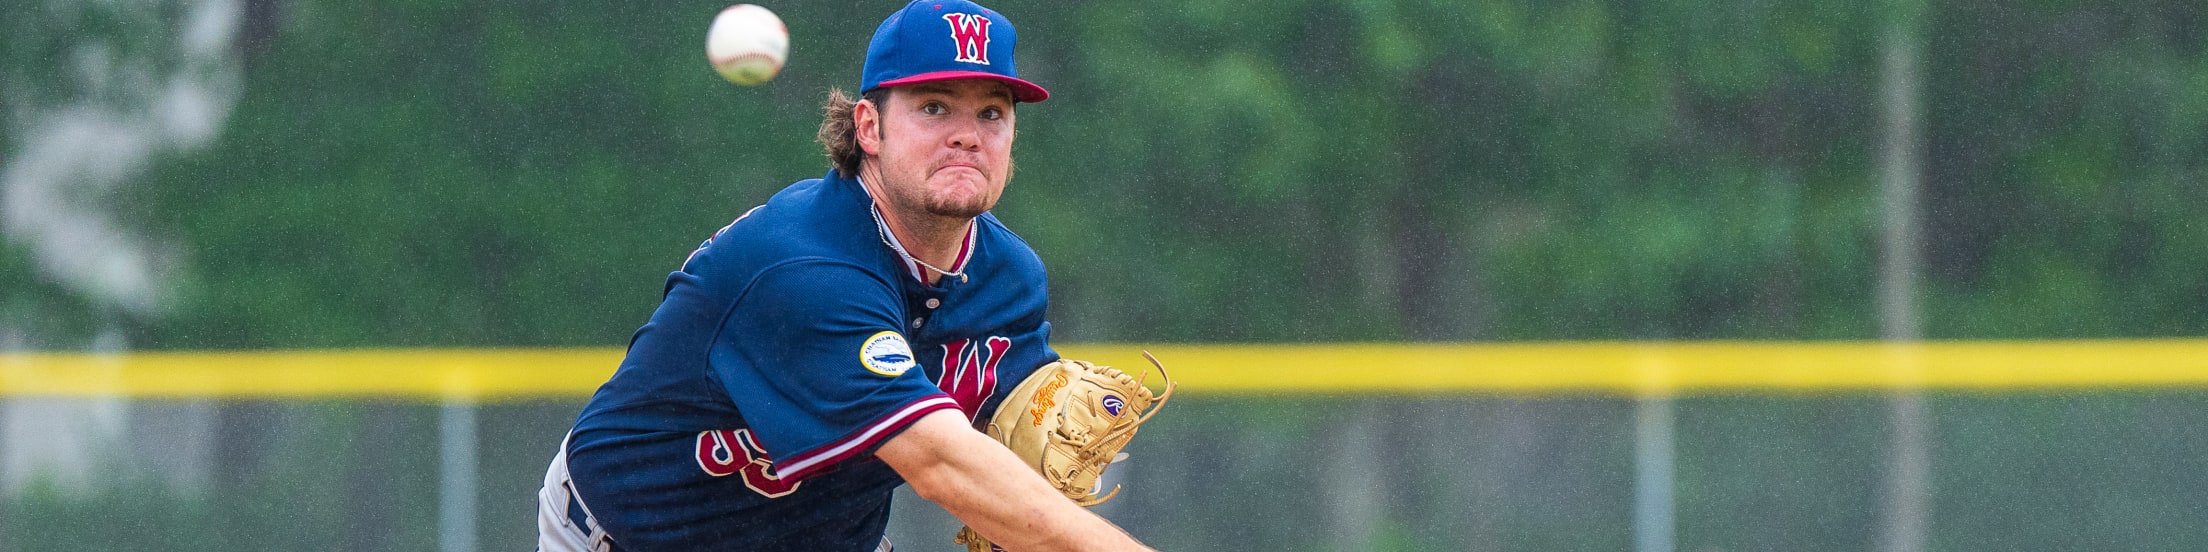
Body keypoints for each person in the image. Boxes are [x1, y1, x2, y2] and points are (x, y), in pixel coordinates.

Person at [534, 1, 1154, 551]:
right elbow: (941, 465)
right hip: (637, 534)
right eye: (934, 107)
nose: (967, 135)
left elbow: (1013, 428)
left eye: (992, 113)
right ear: (868, 128)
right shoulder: (803, 266)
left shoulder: (1008, 278)